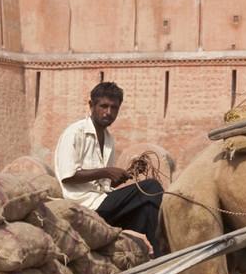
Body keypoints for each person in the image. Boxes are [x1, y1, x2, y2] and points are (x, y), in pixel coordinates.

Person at [54, 81, 167, 257]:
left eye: (114, 108)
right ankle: (168, 247)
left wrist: (124, 175)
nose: (108, 112)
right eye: (103, 106)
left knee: (146, 208)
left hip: (102, 202)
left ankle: (158, 255)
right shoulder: (75, 133)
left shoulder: (108, 139)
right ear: (91, 105)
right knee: (151, 187)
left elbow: (104, 184)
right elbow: (68, 176)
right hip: (84, 204)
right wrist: (106, 171)